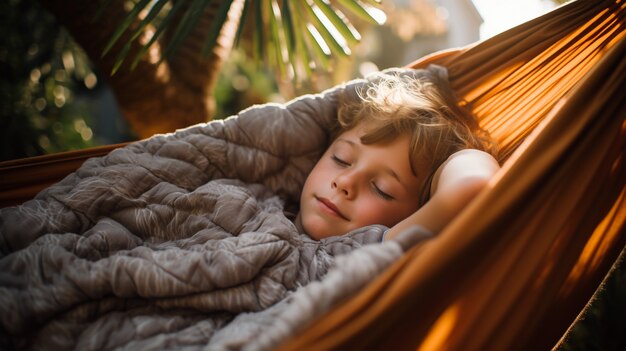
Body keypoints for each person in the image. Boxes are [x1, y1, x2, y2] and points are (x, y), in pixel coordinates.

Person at [295, 65, 501, 241]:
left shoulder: (378, 250)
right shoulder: (266, 200)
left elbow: (472, 185)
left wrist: (457, 152)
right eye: (341, 159)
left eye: (381, 189)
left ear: (416, 214)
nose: (345, 182)